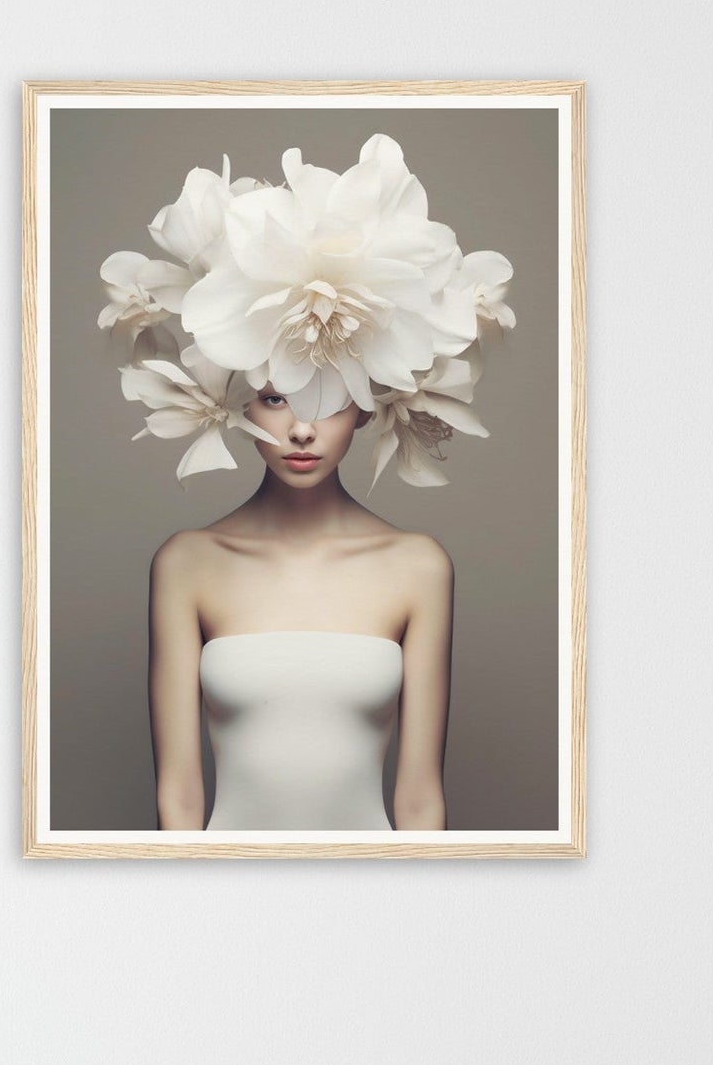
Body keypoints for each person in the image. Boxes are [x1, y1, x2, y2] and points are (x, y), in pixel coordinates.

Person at [99, 134, 512, 832]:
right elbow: (178, 800)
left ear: (370, 402)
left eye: (328, 398)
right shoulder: (188, 565)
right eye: (274, 396)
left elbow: (419, 802)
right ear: (236, 400)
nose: (300, 429)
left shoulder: (417, 567)